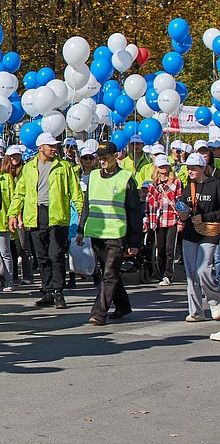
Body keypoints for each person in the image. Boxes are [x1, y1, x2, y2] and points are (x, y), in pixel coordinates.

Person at [10, 132, 82, 310]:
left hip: (57, 216)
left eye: (55, 145)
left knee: (56, 254)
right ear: (40, 147)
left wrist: (82, 215)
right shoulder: (29, 168)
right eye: (50, 145)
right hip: (36, 215)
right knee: (41, 256)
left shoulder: (64, 166)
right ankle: (47, 290)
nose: (54, 148)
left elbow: (76, 192)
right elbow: (19, 193)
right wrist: (13, 213)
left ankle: (58, 291)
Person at [78, 142, 144, 326]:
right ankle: (123, 306)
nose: (102, 160)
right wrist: (81, 229)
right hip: (97, 233)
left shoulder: (125, 178)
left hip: (117, 233)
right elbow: (87, 205)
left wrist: (135, 242)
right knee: (110, 272)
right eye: (100, 157)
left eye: (106, 156)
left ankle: (99, 312)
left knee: (109, 273)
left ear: (116, 156)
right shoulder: (93, 177)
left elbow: (134, 212)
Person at [176, 151, 220, 323]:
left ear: (202, 168)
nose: (190, 172)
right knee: (191, 274)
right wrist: (183, 213)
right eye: (188, 169)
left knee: (204, 270)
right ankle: (196, 311)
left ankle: (214, 300)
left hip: (209, 232)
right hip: (190, 233)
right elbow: (184, 210)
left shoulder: (216, 185)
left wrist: (206, 217)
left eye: (194, 168)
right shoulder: (189, 187)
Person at [145, 156, 181, 287]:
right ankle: (161, 271)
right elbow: (149, 205)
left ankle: (168, 274)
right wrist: (147, 222)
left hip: (172, 219)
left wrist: (181, 219)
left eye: (165, 166)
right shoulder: (153, 185)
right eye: (160, 166)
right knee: (160, 249)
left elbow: (179, 200)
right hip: (158, 220)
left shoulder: (176, 182)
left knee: (169, 248)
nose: (163, 169)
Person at [0, 145, 24, 291]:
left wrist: (15, 217)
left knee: (5, 253)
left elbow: (13, 199)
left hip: (2, 222)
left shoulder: (8, 178)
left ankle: (9, 281)